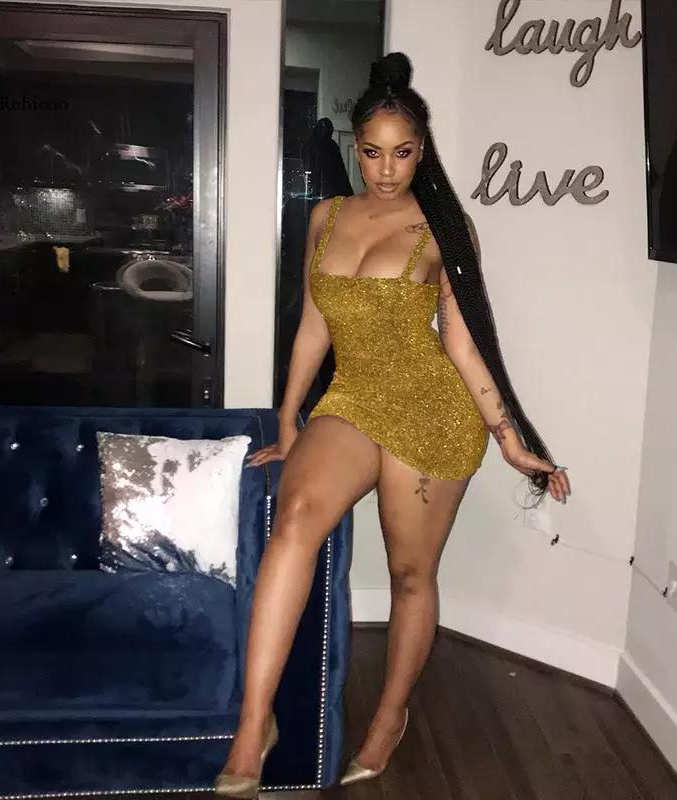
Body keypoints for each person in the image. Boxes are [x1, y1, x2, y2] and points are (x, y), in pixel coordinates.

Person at [214, 51, 571, 798]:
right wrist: (288, 421)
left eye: (402, 153)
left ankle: (390, 716)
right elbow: (315, 325)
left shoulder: (446, 226)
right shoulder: (326, 217)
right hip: (352, 398)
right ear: (355, 147)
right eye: (372, 152)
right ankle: (253, 724)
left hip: (431, 408)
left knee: (411, 575)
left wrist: (510, 439)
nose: (385, 169)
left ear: (422, 149)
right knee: (295, 520)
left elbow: (464, 342)